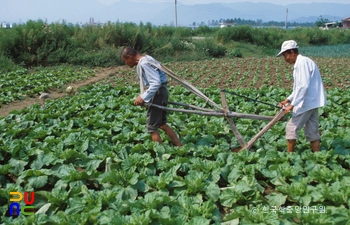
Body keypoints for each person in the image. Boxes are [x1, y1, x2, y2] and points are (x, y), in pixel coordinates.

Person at [121, 46, 182, 146]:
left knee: (152, 128)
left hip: (157, 94)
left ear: (129, 57)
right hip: (162, 92)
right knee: (162, 124)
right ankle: (180, 146)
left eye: (125, 61)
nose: (126, 64)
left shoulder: (144, 63)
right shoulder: (148, 58)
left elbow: (155, 82)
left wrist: (143, 97)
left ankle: (161, 155)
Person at [276, 40, 327, 152]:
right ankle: (318, 155)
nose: (285, 59)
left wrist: (292, 105)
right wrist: (288, 100)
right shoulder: (303, 62)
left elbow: (303, 87)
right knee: (312, 132)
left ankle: (288, 157)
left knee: (291, 128)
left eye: (285, 56)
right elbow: (298, 88)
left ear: (292, 52)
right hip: (313, 103)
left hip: (306, 102)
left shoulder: (302, 63)